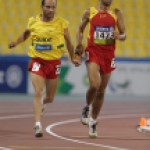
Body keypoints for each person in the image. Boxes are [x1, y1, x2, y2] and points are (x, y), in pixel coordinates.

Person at [8, 0, 80, 137]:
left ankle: (43, 104)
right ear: (42, 7)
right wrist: (15, 43)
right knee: (38, 92)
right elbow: (25, 34)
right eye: (48, 7)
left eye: (53, 7)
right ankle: (38, 125)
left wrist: (73, 57)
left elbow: (69, 42)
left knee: (50, 98)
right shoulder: (33, 21)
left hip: (54, 63)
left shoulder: (61, 23)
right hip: (37, 61)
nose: (51, 10)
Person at [75, 0, 126, 138]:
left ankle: (93, 121)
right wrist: (79, 43)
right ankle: (86, 107)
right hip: (93, 51)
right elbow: (80, 29)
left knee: (102, 90)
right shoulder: (89, 12)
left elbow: (124, 34)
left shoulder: (116, 13)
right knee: (95, 85)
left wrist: (119, 36)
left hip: (108, 54)